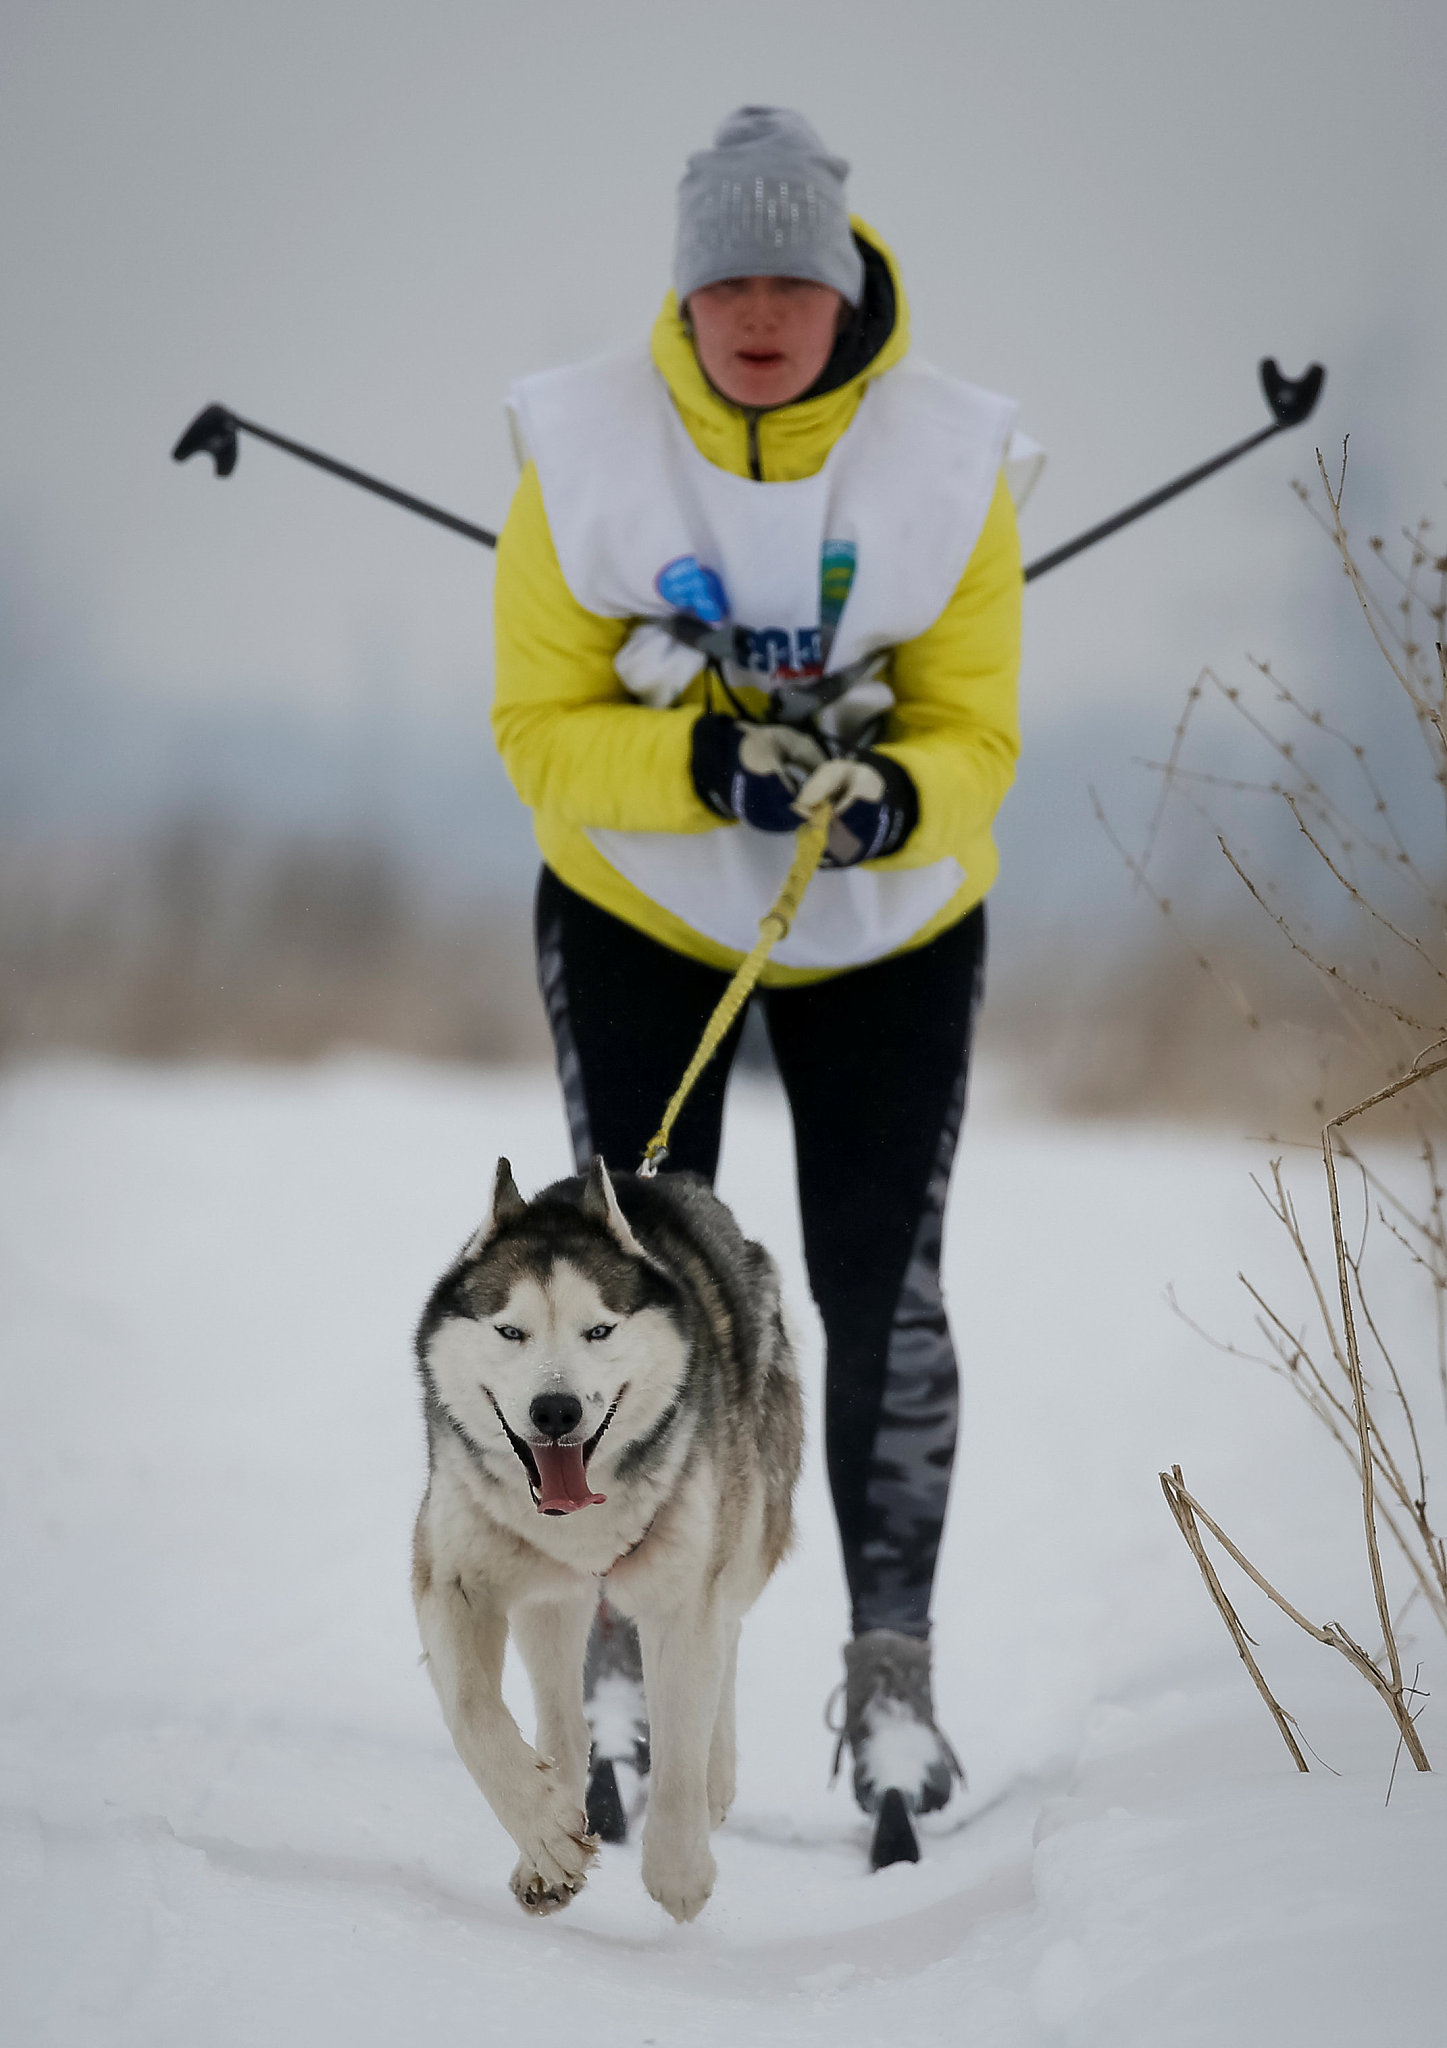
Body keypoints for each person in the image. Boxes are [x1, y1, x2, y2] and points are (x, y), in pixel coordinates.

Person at [491, 106, 1022, 1840]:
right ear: (688, 288)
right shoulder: (581, 445)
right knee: (637, 1294)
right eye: (730, 277)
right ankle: (621, 1661)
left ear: (845, 275)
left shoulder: (950, 458)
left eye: (793, 272)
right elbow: (538, 734)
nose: (763, 308)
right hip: (640, 913)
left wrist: (895, 796)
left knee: (883, 1290)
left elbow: (978, 735)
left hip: (885, 928)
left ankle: (891, 1681)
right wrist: (705, 768)